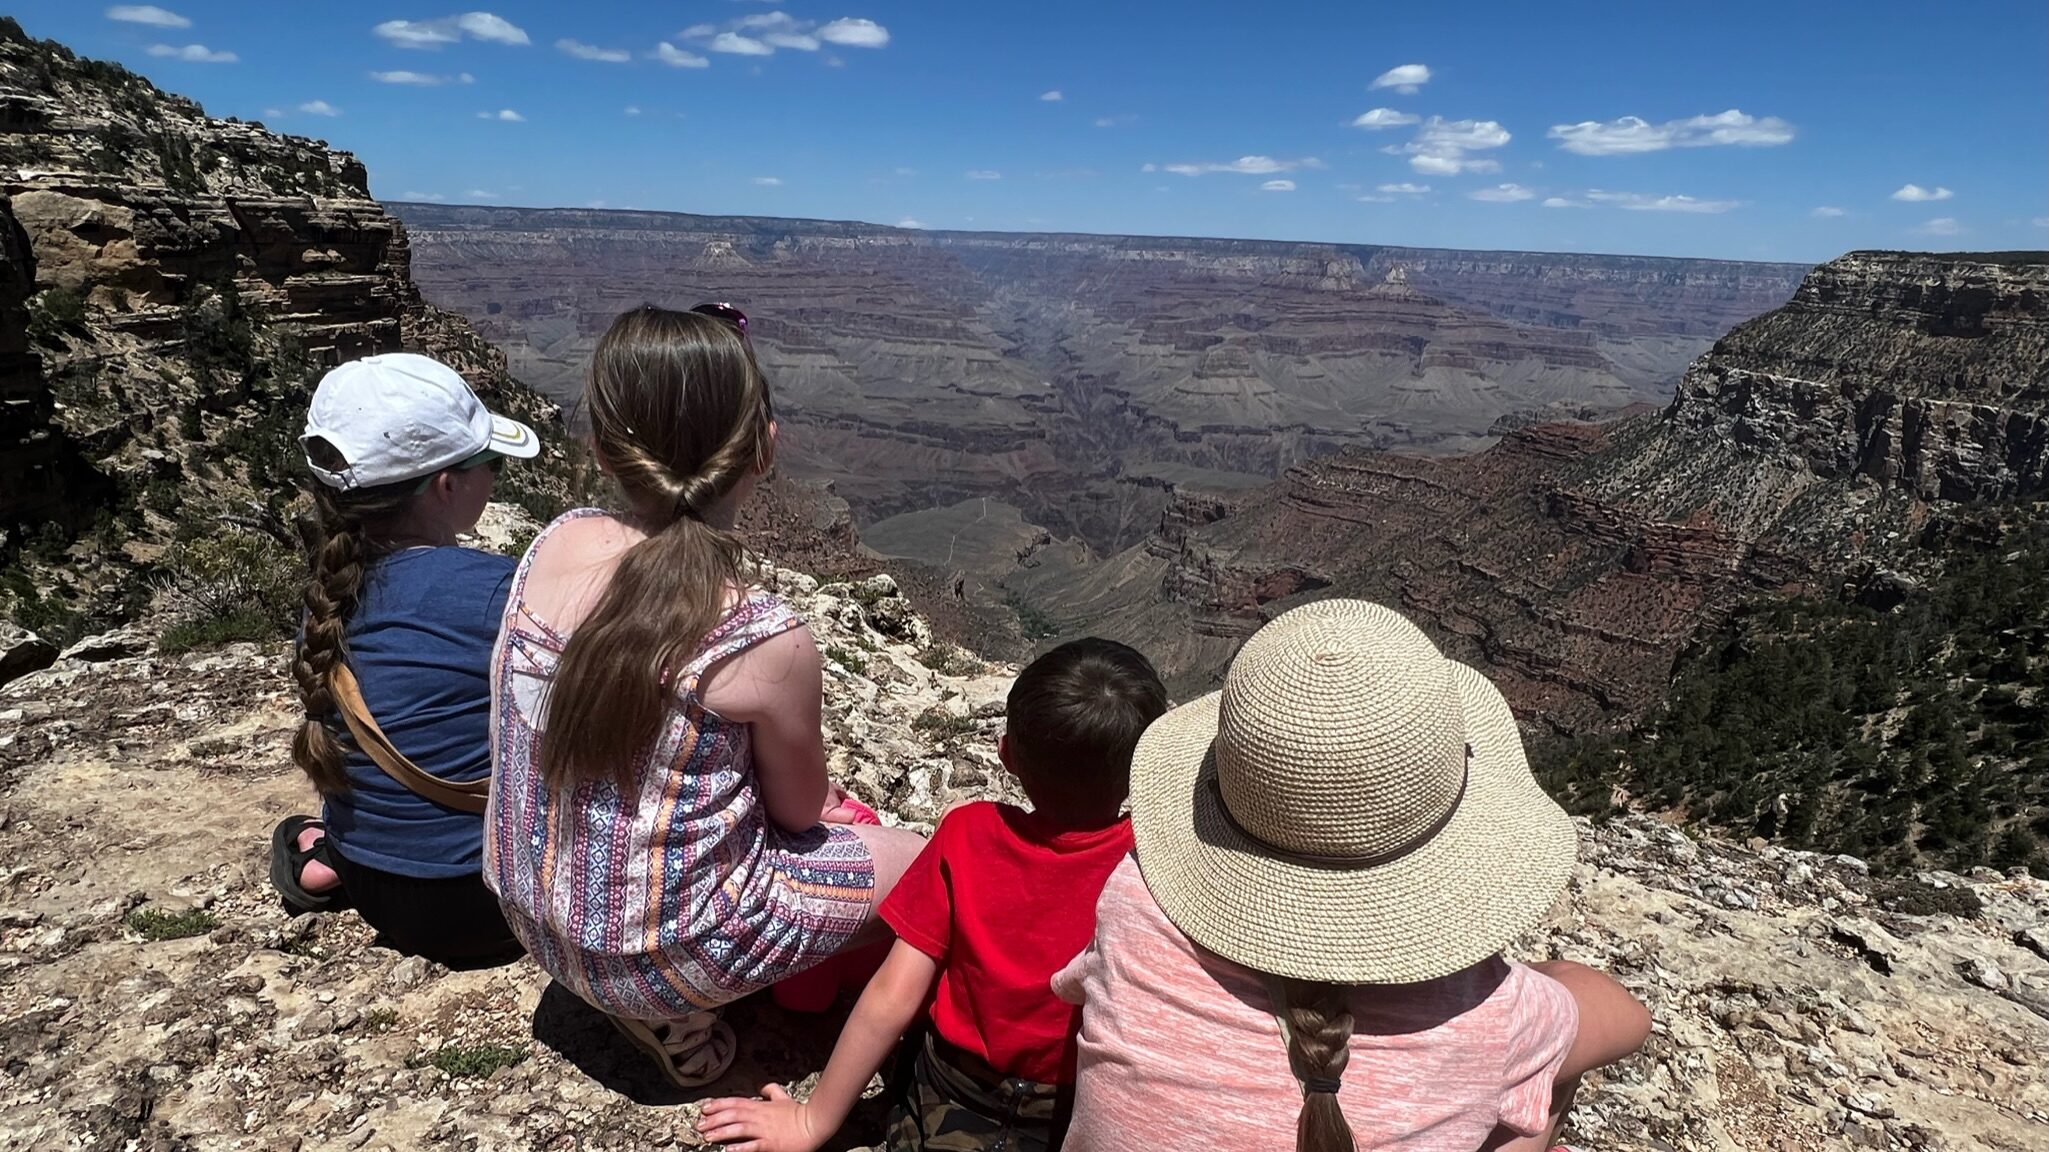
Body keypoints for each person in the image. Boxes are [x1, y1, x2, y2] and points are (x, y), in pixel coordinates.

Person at [484, 303, 928, 1088]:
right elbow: (799, 815)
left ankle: (655, 986)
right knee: (934, 864)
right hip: (659, 961)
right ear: (764, 447)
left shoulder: (555, 542)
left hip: (532, 922)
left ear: (599, 447)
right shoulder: (761, 634)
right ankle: (681, 1002)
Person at [1052, 599, 1653, 1152]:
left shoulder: (1132, 902)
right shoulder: (1489, 1014)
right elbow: (1629, 1021)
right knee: (1538, 1091)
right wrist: (1524, 984)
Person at [698, 638, 1169, 1152]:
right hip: (1079, 1114)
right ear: (1143, 772)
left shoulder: (969, 836)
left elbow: (892, 995)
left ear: (1006, 754)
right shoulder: (1153, 862)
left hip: (951, 1095)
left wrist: (813, 1122)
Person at [269, 352, 541, 969]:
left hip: (373, 887)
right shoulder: (502, 591)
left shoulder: (327, 598)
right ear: (447, 485)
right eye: (489, 463)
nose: (495, 475)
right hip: (493, 908)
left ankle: (321, 855)